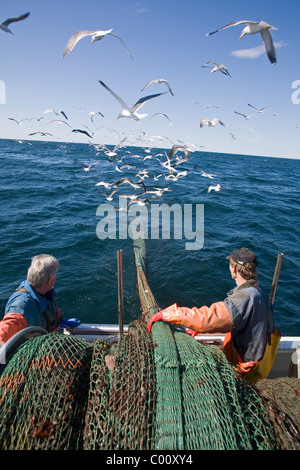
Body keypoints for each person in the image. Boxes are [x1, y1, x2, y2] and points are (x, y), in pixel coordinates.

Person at [148, 248, 278, 381]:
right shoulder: (258, 289)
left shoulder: (245, 297)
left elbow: (210, 318)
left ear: (234, 269)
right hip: (259, 359)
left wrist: (172, 313)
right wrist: (200, 329)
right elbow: (233, 320)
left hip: (245, 368)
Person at [0, 254, 80, 345]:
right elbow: (7, 327)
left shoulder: (45, 291)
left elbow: (50, 309)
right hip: (34, 351)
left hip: (49, 341)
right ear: (49, 281)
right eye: (56, 275)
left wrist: (62, 321)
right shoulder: (23, 305)